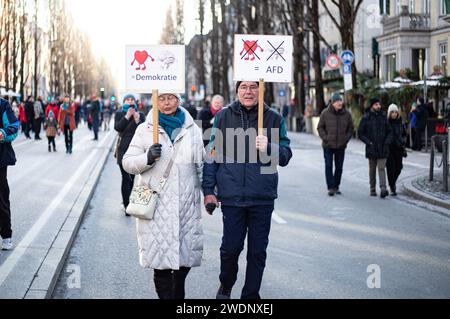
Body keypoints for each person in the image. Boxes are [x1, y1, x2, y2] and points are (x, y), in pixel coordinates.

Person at [203, 81, 292, 299]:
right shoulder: (223, 117)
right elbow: (212, 153)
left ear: (260, 90)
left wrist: (269, 147)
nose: (249, 91)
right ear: (237, 91)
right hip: (232, 196)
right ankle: (226, 284)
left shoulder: (274, 118)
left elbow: (285, 156)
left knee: (257, 252)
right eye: (244, 87)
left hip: (262, 197)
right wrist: (208, 189)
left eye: (254, 87)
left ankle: (250, 295)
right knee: (230, 250)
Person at [122, 92, 204, 299]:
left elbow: (203, 165)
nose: (167, 103)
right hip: (157, 207)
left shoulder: (192, 129)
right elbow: (128, 162)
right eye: (162, 98)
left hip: (185, 205)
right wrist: (147, 158)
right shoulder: (144, 129)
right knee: (160, 264)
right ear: (155, 101)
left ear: (178, 100)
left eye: (171, 98)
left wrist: (211, 193)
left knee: (183, 263)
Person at [317, 92, 354, 196]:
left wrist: (345, 139)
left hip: (341, 146)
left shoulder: (347, 114)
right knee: (328, 166)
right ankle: (330, 187)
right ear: (332, 103)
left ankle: (336, 186)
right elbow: (320, 127)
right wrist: (326, 138)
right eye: (337, 101)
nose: (339, 103)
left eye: (340, 101)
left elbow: (351, 129)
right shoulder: (325, 113)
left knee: (339, 167)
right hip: (328, 145)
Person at [114, 95, 146, 215]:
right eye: (127, 100)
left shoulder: (141, 114)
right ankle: (126, 205)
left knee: (131, 178)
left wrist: (138, 121)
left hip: (136, 150)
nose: (130, 101)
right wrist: (127, 116)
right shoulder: (119, 113)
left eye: (132, 100)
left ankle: (128, 201)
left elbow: (144, 132)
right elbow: (117, 128)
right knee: (125, 177)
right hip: (122, 149)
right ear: (124, 102)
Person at [358, 98, 393, 198]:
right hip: (371, 147)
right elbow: (360, 133)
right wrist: (368, 142)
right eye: (376, 104)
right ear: (372, 106)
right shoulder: (366, 117)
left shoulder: (383, 116)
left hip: (383, 147)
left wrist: (387, 142)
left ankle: (383, 188)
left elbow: (390, 131)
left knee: (381, 168)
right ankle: (372, 189)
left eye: (379, 104)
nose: (379, 106)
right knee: (372, 169)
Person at [0, 98, 19, 250]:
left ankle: (6, 235)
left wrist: (2, 133)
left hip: (0, 159)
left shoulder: (3, 104)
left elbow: (14, 126)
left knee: (1, 198)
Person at [386, 104, 407, 196]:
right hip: (389, 149)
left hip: (398, 149)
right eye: (392, 112)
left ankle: (392, 182)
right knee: (391, 169)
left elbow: (404, 134)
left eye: (395, 112)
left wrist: (403, 141)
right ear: (389, 113)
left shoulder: (400, 123)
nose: (394, 114)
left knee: (399, 168)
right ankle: (392, 186)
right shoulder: (386, 123)